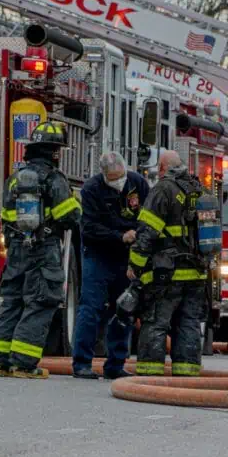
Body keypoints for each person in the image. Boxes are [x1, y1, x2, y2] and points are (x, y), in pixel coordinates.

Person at [0, 121, 82, 379]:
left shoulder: (14, 179)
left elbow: (6, 216)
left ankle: (0, 361)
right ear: (53, 152)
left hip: (16, 250)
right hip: (44, 250)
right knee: (40, 303)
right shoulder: (54, 178)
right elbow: (70, 217)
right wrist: (78, 206)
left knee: (12, 302)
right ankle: (24, 363)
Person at [126, 150, 208, 377]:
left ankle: (150, 376)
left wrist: (135, 265)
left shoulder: (163, 190)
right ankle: (187, 375)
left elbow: (147, 233)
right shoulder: (200, 190)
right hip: (197, 274)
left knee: (155, 323)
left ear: (162, 169)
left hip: (166, 274)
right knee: (188, 324)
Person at [71, 152, 149, 379]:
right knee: (91, 307)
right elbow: (89, 229)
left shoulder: (137, 183)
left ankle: (115, 363)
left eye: (121, 177)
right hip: (98, 255)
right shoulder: (92, 189)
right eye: (113, 178)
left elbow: (149, 217)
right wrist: (119, 236)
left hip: (126, 256)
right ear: (104, 175)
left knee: (124, 309)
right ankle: (82, 362)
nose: (118, 182)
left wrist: (138, 241)